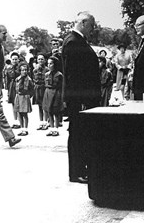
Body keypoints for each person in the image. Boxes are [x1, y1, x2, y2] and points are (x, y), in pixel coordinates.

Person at [62, 11, 101, 183]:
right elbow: (74, 76)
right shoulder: (73, 42)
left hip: (81, 98)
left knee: (81, 133)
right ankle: (76, 171)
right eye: (91, 25)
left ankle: (80, 169)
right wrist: (83, 100)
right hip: (80, 99)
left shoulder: (76, 41)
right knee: (78, 134)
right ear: (83, 23)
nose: (92, 29)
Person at [43, 56, 64, 136]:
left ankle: (56, 128)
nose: (49, 65)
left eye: (51, 64)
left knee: (56, 111)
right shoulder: (46, 74)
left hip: (56, 93)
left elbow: (62, 86)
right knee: (49, 111)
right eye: (48, 63)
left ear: (55, 64)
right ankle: (51, 128)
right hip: (48, 92)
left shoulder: (59, 75)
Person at [14, 62, 34, 136]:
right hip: (19, 97)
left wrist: (28, 96)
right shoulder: (17, 79)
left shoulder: (29, 80)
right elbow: (15, 88)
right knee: (19, 113)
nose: (24, 71)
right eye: (22, 70)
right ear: (20, 71)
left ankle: (25, 129)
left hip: (25, 97)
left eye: (26, 70)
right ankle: (21, 128)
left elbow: (32, 89)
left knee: (25, 114)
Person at [32, 54, 49, 130]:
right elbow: (33, 79)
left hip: (44, 88)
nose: (40, 61)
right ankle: (41, 122)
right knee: (39, 106)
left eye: (42, 59)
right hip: (38, 88)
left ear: (45, 60)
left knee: (45, 105)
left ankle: (46, 121)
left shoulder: (47, 70)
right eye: (39, 59)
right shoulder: (35, 70)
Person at [6, 52, 20, 129]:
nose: (14, 61)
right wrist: (8, 89)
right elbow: (7, 79)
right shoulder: (9, 68)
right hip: (11, 86)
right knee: (13, 104)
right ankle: (15, 121)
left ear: (18, 60)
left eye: (16, 59)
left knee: (19, 103)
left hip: (18, 85)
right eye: (13, 59)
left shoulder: (20, 68)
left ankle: (20, 121)